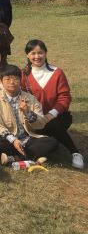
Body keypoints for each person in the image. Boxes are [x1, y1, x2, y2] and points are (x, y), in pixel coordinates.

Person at [22, 40, 83, 169]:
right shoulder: (23, 75)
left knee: (53, 126)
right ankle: (50, 146)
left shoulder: (57, 72)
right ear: (27, 55)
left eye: (40, 53)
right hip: (34, 118)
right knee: (42, 130)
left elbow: (65, 97)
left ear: (45, 53)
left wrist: (51, 114)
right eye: (33, 53)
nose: (37, 56)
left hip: (57, 116)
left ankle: (75, 152)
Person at [0, 64, 58, 164]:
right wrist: (13, 140)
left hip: (28, 138)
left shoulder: (30, 98)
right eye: (7, 79)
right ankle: (31, 156)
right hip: (8, 139)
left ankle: (16, 158)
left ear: (20, 80)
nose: (12, 82)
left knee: (51, 142)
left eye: (15, 79)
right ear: (1, 81)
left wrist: (27, 113)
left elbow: (41, 124)